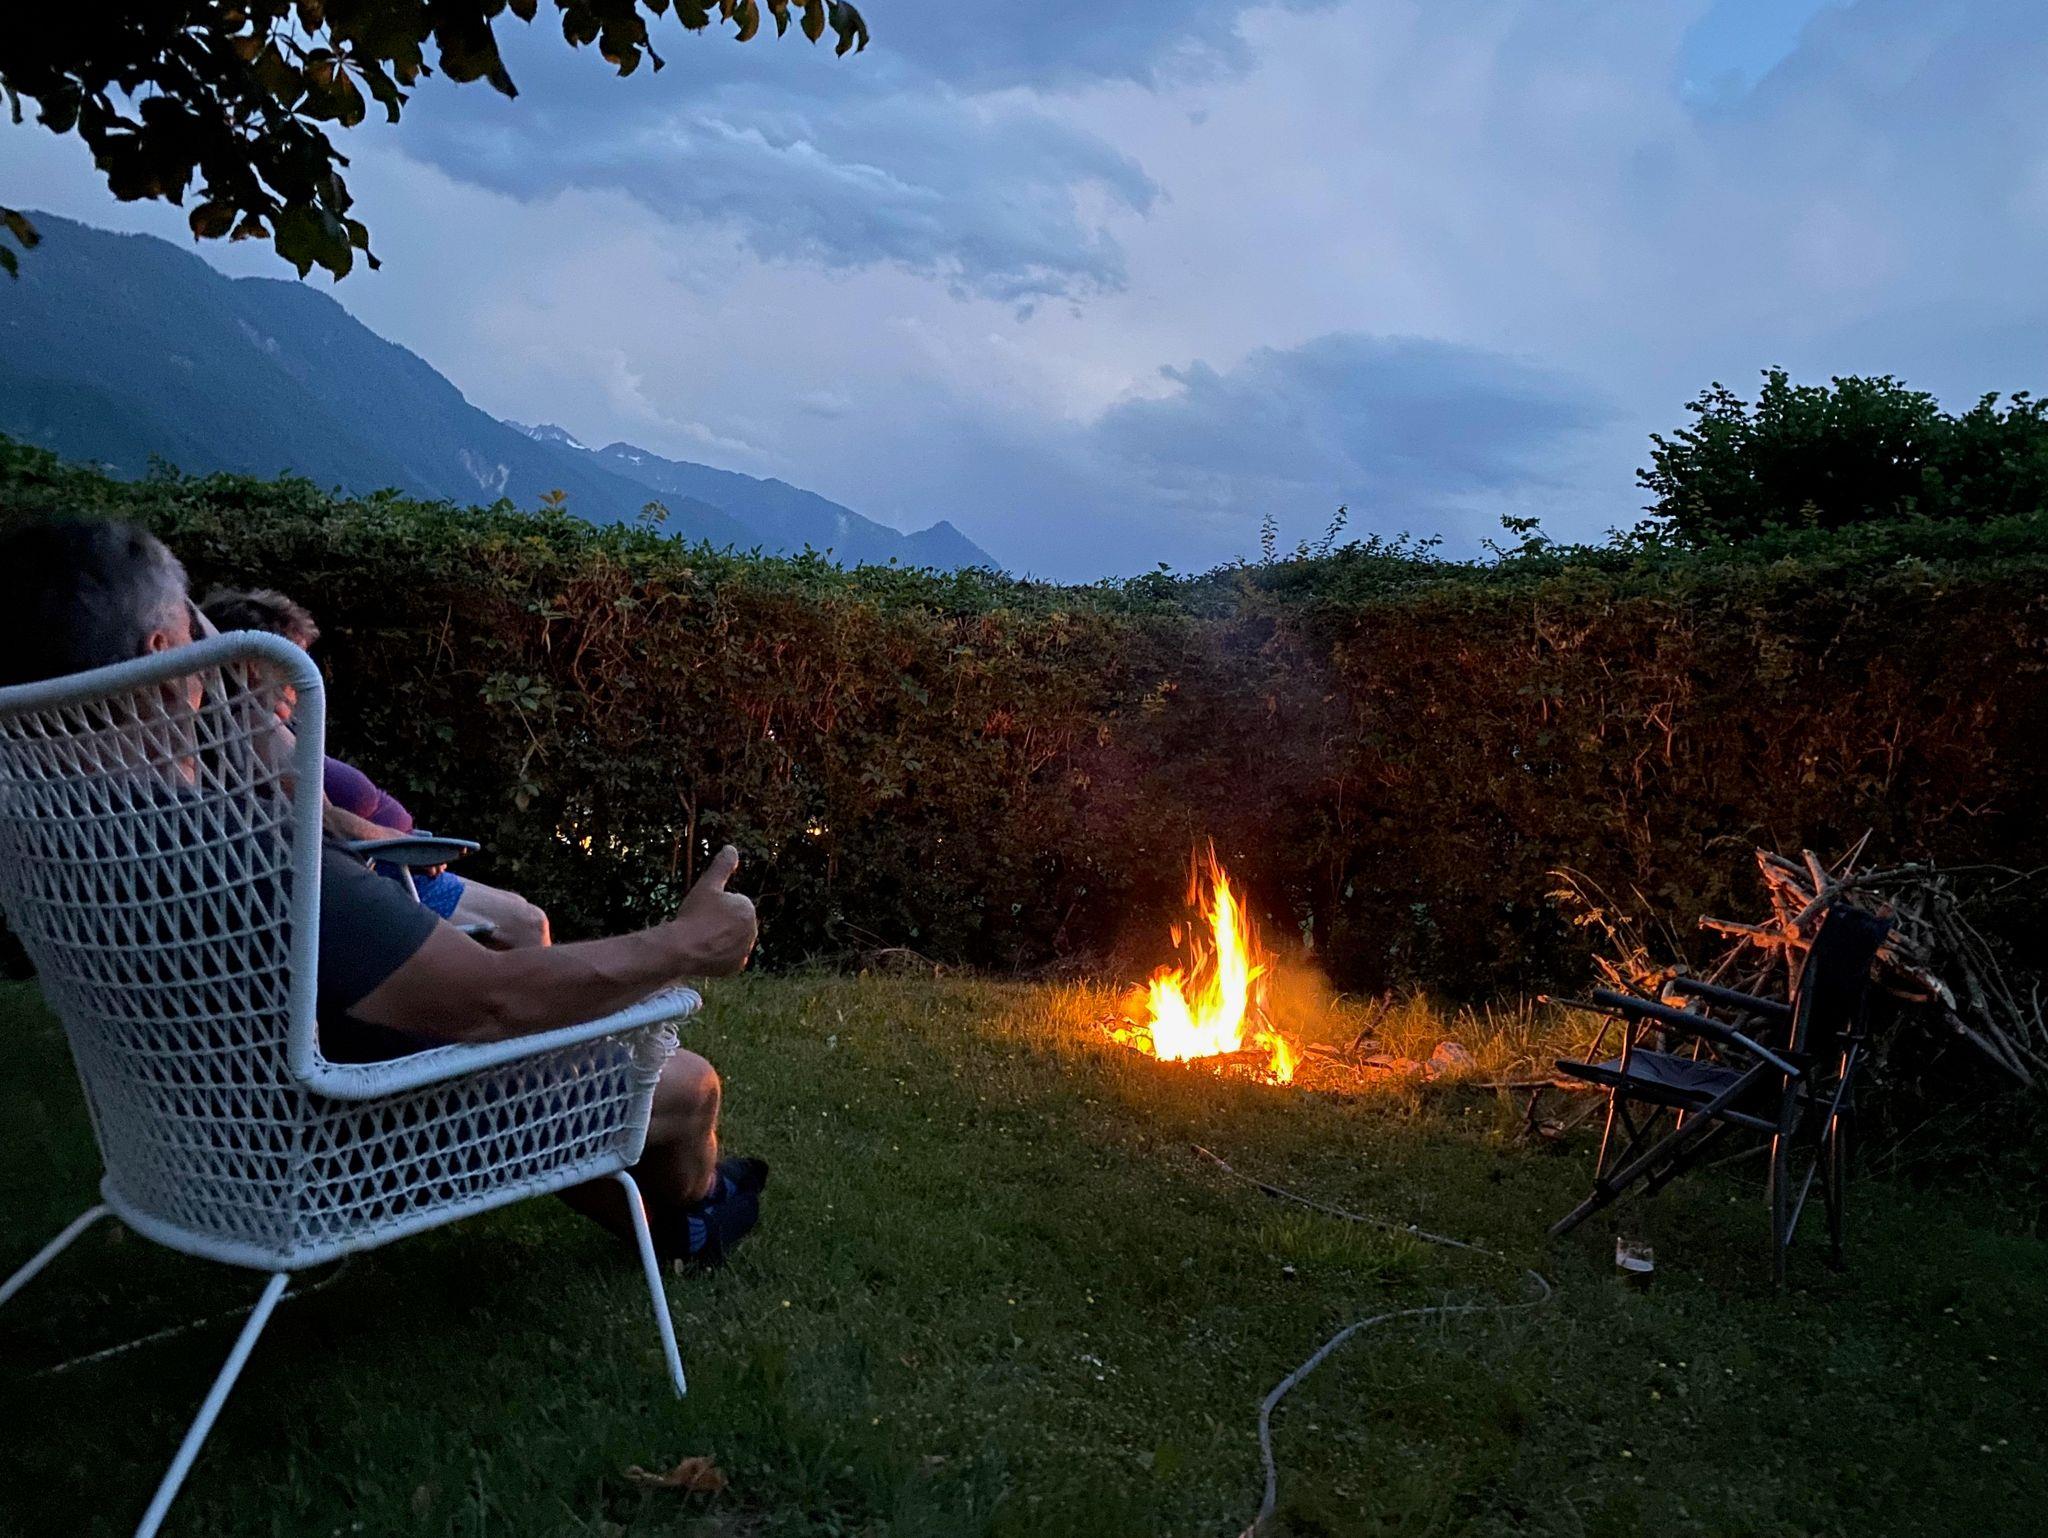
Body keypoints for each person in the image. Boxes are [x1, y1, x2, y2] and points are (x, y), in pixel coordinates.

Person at [0, 518, 765, 1264]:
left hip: (191, 1141)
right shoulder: (237, 856)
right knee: (688, 1085)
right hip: (344, 1138)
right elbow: (495, 1000)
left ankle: (686, 1218)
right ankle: (698, 1216)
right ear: (164, 654)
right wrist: (687, 944)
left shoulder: (40, 830)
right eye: (196, 628)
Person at [199, 587, 551, 949]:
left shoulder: (257, 726)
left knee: (518, 910)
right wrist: (402, 843)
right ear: (255, 664)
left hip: (389, 866)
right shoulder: (255, 725)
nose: (302, 671)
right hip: (382, 874)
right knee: (527, 923)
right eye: (295, 655)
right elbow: (323, 820)